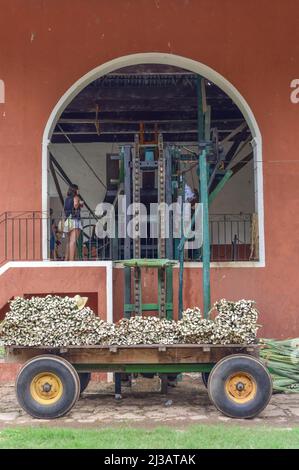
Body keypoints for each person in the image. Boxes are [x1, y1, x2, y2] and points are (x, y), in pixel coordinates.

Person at [64, 184, 84, 261]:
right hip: (74, 220)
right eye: (78, 189)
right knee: (73, 241)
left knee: (69, 242)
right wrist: (80, 203)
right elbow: (75, 205)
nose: (79, 191)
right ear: (75, 190)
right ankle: (71, 261)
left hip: (68, 220)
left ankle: (66, 259)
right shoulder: (76, 197)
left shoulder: (67, 199)